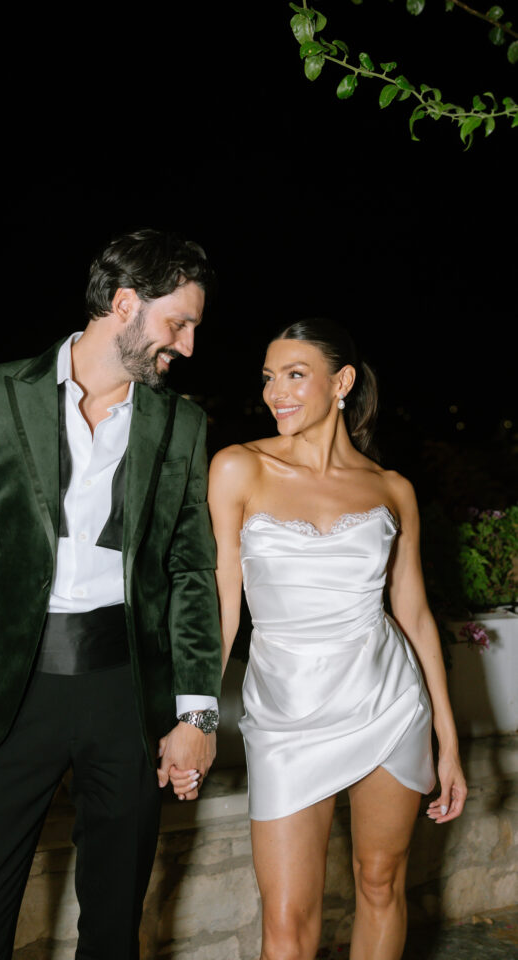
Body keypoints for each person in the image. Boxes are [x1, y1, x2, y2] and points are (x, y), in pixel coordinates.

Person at [0, 229, 222, 960]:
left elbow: (189, 573)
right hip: (8, 692)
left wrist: (196, 713)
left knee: (113, 924)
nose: (187, 345)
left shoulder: (180, 424)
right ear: (123, 305)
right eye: (178, 322)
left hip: (125, 691)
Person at [195, 318, 467, 960]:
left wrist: (448, 741)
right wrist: (199, 716)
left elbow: (416, 615)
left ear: (341, 382)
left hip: (388, 702)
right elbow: (223, 610)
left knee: (380, 883)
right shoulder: (239, 468)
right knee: (287, 922)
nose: (275, 392)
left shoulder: (391, 488)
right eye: (268, 377)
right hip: (285, 716)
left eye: (295, 375)